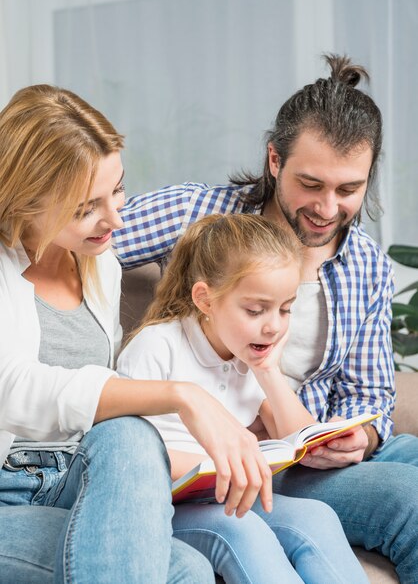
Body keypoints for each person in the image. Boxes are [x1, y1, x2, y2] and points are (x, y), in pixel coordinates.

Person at [113, 53, 418, 583]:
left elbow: (370, 397)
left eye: (348, 190)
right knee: (408, 499)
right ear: (274, 161)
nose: (327, 208)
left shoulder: (365, 262)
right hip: (255, 459)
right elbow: (78, 238)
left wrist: (362, 438)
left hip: (304, 438)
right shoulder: (199, 216)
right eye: (311, 184)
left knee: (405, 451)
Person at [0, 84, 274, 583]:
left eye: (118, 189)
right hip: (7, 486)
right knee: (184, 570)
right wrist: (181, 395)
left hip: (73, 473)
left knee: (129, 434)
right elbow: (14, 388)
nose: (115, 217)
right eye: (87, 207)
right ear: (25, 201)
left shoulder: (98, 262)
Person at [117, 213, 368, 584]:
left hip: (225, 496)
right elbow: (122, 451)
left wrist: (268, 372)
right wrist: (225, 463)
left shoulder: (248, 354)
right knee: (242, 531)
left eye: (285, 309)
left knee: (317, 516)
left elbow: (301, 440)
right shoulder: (158, 347)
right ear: (205, 299)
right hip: (161, 505)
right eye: (256, 310)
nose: (274, 325)